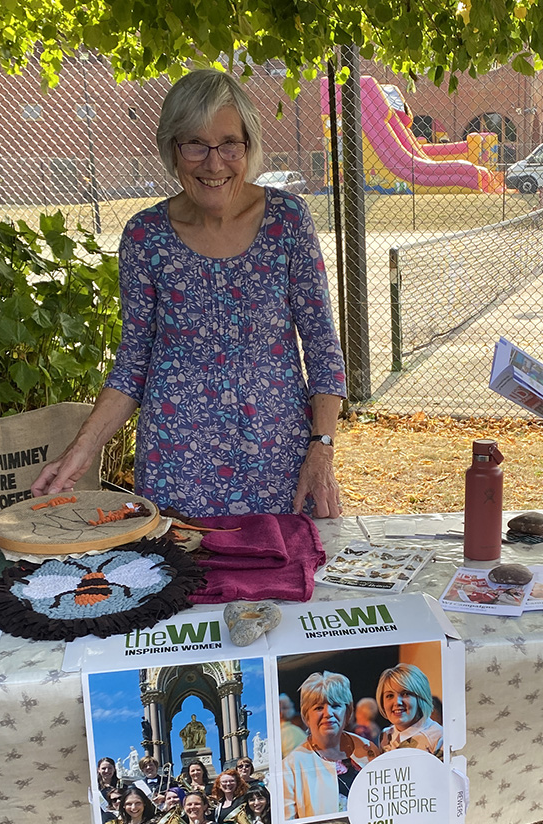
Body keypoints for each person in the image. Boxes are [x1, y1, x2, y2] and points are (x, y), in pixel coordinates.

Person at [30, 69, 346, 519]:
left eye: (229, 144)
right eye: (195, 144)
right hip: (175, 465)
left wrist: (322, 448)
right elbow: (134, 362)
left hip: (278, 462)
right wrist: (82, 448)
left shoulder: (287, 221)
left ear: (248, 147)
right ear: (173, 150)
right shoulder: (145, 236)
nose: (213, 163)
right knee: (180, 582)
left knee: (285, 579)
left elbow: (322, 349)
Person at [282, 672, 379, 819]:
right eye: (319, 708)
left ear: (348, 712)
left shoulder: (368, 749)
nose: (328, 713)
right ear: (306, 716)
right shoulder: (290, 767)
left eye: (336, 705)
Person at [375, 663, 443, 757]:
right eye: (390, 696)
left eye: (405, 693)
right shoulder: (385, 736)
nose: (397, 702)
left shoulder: (438, 737)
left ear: (420, 697)